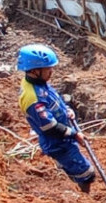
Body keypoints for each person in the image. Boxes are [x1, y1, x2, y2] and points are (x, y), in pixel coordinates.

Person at [17, 44, 95, 193]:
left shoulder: (39, 83)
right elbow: (49, 127)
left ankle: (67, 172)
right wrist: (74, 134)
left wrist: (66, 110)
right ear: (35, 70)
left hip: (63, 136)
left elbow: (54, 99)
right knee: (86, 174)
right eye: (48, 69)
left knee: (79, 168)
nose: (51, 72)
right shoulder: (32, 98)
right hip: (57, 142)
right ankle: (83, 201)